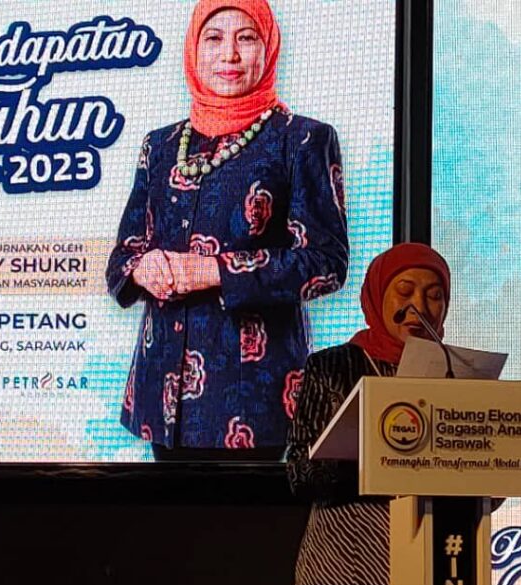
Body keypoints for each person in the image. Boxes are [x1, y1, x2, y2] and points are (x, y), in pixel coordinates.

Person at [106, 0, 349, 460]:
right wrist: (142, 267)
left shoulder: (301, 139)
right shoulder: (161, 145)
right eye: (214, 38)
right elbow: (123, 255)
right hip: (163, 399)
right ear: (193, 50)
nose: (229, 54)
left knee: (246, 511)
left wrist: (215, 271)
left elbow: (325, 262)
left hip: (252, 402)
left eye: (246, 38)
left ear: (268, 48)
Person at [286, 243, 451, 585]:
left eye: (434, 294)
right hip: (346, 576)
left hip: (431, 576)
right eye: (405, 291)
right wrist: (377, 454)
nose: (419, 305)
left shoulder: (455, 376)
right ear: (378, 297)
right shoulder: (333, 366)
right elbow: (301, 473)